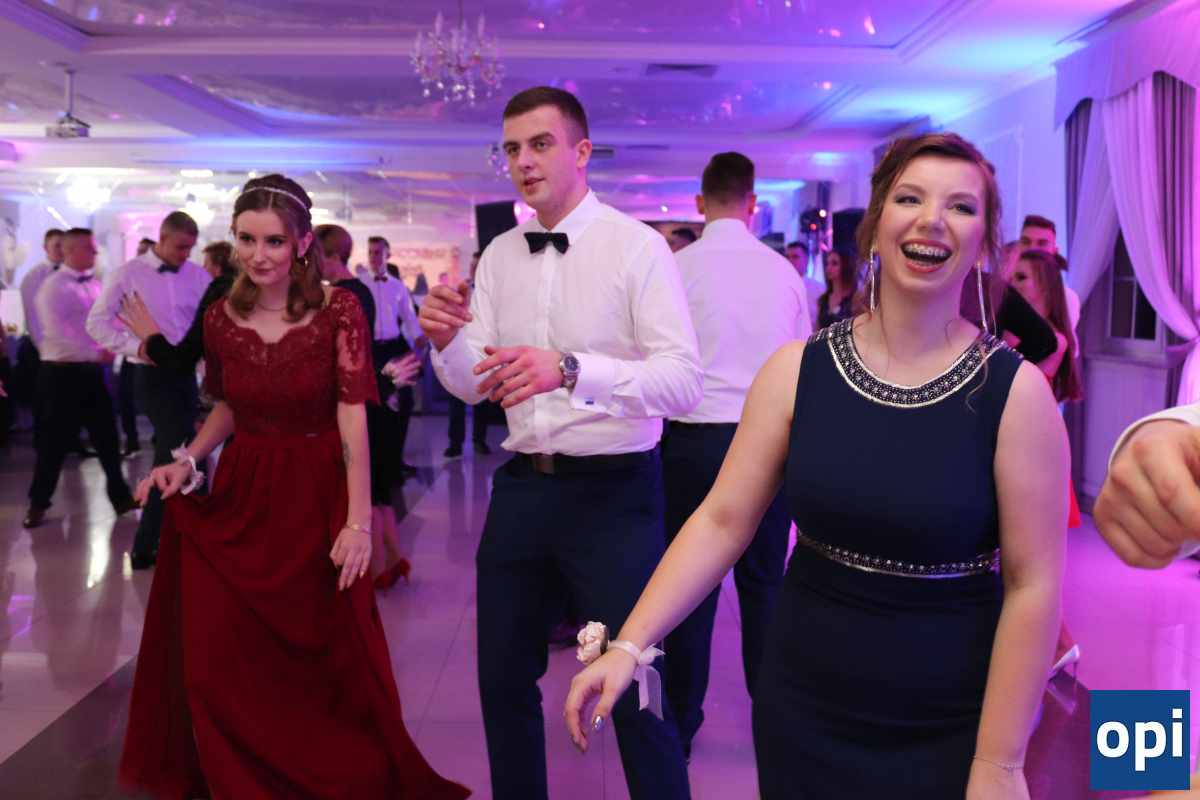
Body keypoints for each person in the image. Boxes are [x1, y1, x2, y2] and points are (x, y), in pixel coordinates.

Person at [565, 132, 1068, 799]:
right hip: (805, 703)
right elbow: (721, 521)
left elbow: (1034, 585)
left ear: (983, 242)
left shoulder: (1016, 393)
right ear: (876, 225)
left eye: (961, 206)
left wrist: (1000, 762)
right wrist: (630, 645)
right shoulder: (796, 371)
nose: (932, 220)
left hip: (951, 713)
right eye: (910, 199)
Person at [118, 174, 469, 800]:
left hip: (317, 490)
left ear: (303, 243)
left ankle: (324, 771)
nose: (259, 255)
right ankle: (244, 772)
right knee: (229, 651)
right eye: (247, 240)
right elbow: (228, 405)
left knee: (323, 652)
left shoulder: (339, 309)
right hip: (244, 490)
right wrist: (188, 460)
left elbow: (352, 418)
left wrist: (357, 522)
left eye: (275, 241)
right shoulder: (221, 315)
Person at [421, 86, 701, 800]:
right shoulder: (499, 256)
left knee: (637, 681)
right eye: (512, 148)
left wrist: (572, 369)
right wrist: (447, 343)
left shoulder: (636, 247)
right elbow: (475, 385)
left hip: (615, 493)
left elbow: (682, 382)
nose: (523, 161)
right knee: (500, 679)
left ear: (581, 152)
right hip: (522, 488)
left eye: (540, 144)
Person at [662, 151, 810, 759]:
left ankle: (680, 723)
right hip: (767, 440)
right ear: (752, 203)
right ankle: (772, 721)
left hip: (690, 441)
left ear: (700, 203)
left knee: (687, 587)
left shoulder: (675, 269)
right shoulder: (784, 273)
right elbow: (803, 366)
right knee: (764, 585)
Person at [87, 212, 209, 570]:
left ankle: (187, 537)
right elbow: (96, 324)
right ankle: (147, 543)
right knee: (177, 451)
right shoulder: (127, 274)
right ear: (163, 238)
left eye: (190, 248)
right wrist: (137, 347)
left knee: (190, 451)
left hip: (187, 376)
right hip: (151, 375)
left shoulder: (197, 276)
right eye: (181, 247)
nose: (186, 255)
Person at [317, 223, 418, 589]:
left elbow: (353, 353)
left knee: (372, 480)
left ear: (329, 256)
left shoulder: (346, 294)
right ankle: (392, 559)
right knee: (380, 482)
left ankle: (377, 567)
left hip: (368, 384)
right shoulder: (357, 288)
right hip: (376, 377)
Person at [23, 229, 138, 528]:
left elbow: (106, 322)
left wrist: (122, 340)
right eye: (90, 248)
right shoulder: (52, 288)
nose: (96, 253)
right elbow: (56, 336)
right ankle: (38, 503)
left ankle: (120, 498)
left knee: (108, 438)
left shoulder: (95, 284)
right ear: (71, 251)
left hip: (90, 373)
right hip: (61, 374)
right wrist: (99, 353)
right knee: (53, 444)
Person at [1009, 248, 1086, 676]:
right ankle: (1055, 645)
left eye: (1022, 278)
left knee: (1028, 563)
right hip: (1022, 450)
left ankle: (1058, 645)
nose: (1013, 285)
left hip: (1034, 455)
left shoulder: (1052, 340)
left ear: (1045, 286)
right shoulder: (1016, 335)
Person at [115, 241, 239, 376]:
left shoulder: (215, 295)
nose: (202, 269)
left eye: (206, 264)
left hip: (184, 368)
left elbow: (184, 357)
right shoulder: (239, 292)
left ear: (217, 269)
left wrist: (151, 337)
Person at [361, 235, 422, 479]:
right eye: (370, 252)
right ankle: (376, 465)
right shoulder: (360, 284)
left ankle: (396, 460)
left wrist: (420, 341)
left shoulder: (398, 286)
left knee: (404, 403)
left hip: (394, 347)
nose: (373, 257)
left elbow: (410, 319)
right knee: (375, 407)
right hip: (369, 350)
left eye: (378, 252)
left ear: (388, 255)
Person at [17, 229, 65, 451]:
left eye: (64, 245)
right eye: (57, 245)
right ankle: (44, 444)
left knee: (66, 399)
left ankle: (70, 442)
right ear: (46, 248)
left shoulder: (74, 275)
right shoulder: (34, 276)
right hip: (41, 348)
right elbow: (32, 317)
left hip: (66, 350)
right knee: (43, 400)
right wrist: (44, 350)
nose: (61, 250)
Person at [445, 250, 494, 459]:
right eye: (472, 265)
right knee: (455, 398)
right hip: (460, 347)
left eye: (478, 265)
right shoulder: (460, 290)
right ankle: (455, 444)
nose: (474, 269)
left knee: (482, 397)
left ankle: (479, 440)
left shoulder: (492, 291)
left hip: (483, 351)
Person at [1019, 214, 1080, 333]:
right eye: (1026, 242)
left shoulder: (1067, 299)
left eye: (1042, 243)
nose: (1032, 249)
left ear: (1055, 251)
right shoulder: (999, 289)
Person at [816, 246, 857, 328]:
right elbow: (818, 328)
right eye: (827, 264)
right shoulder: (823, 300)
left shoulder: (855, 299)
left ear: (845, 266)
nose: (829, 268)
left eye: (834, 263)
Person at [785, 239, 823, 327]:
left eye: (795, 257)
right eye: (787, 257)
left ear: (806, 259)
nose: (790, 261)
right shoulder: (778, 288)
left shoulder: (819, 289)